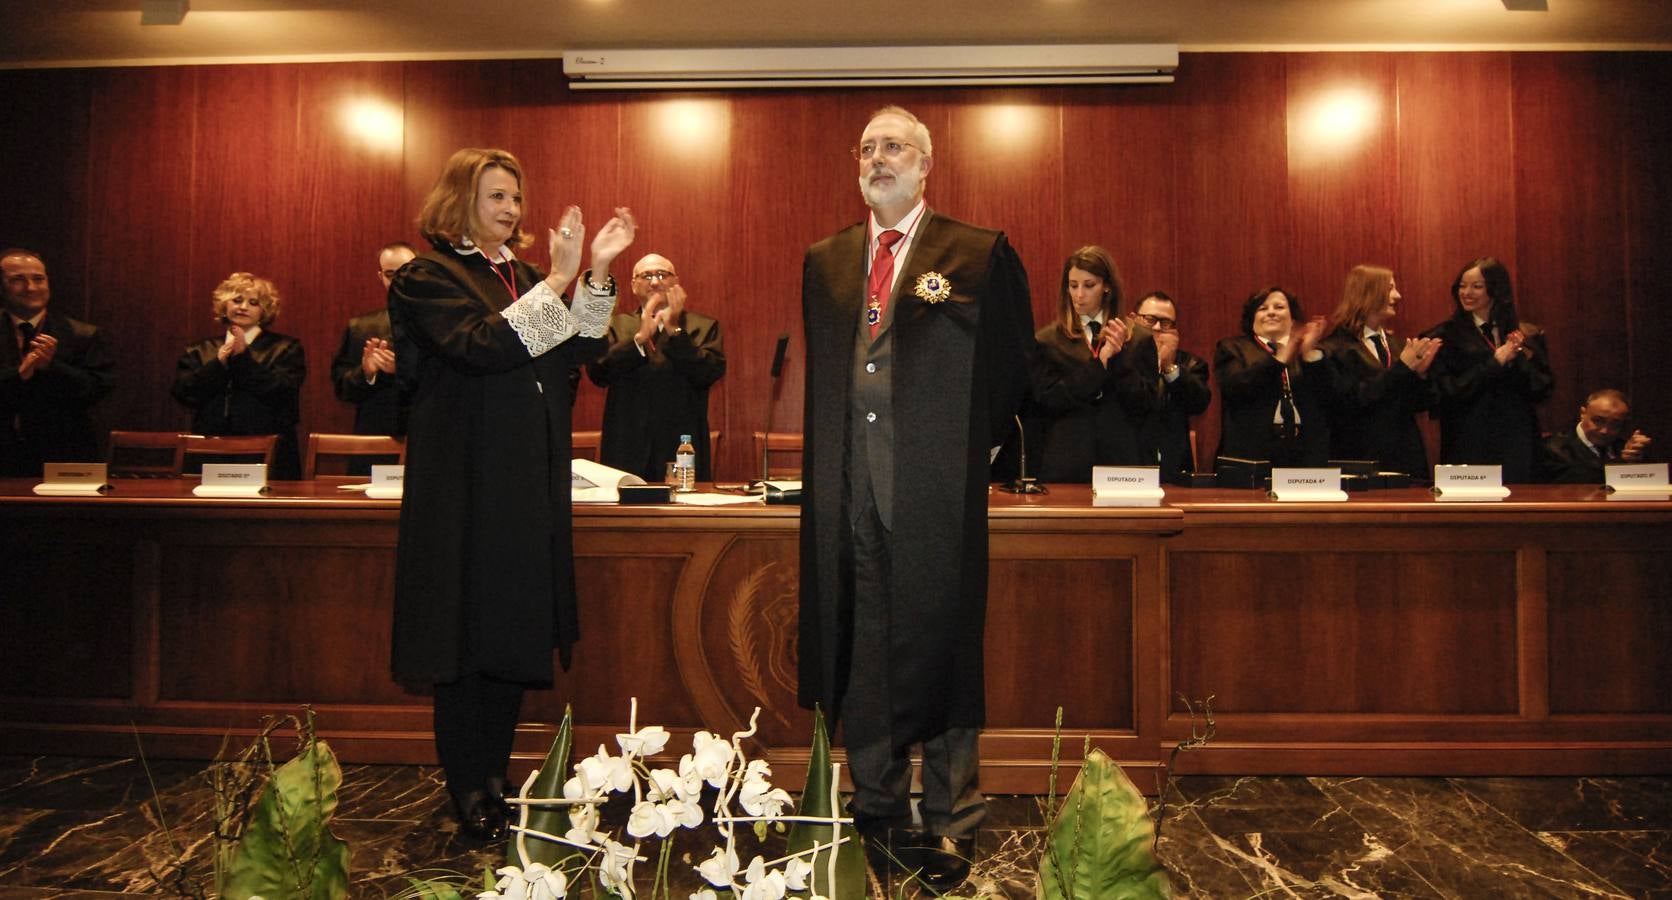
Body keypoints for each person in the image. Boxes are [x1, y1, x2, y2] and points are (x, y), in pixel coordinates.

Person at [798, 106, 1034, 890]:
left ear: (927, 165)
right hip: (847, 488)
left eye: (893, 146)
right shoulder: (827, 260)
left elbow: (1009, 368)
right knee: (861, 645)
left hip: (936, 490)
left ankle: (951, 820)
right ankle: (876, 807)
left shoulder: (976, 253)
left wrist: (967, 454)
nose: (877, 158)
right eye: (866, 147)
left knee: (945, 650)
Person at [386, 147, 634, 842]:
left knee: (507, 634)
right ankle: (468, 787)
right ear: (460, 198)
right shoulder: (425, 275)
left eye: (517, 199)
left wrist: (599, 272)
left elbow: (580, 349)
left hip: (524, 482)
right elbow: (483, 346)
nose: (512, 210)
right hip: (462, 486)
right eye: (497, 195)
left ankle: (496, 779)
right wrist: (558, 277)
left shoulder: (524, 275)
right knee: (462, 643)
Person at [585, 252, 725, 481]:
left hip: (682, 446)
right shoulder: (616, 326)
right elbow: (598, 373)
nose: (655, 281)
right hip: (626, 446)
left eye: (663, 274)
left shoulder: (703, 326)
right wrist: (639, 339)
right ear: (633, 285)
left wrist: (674, 331)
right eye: (646, 276)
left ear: (676, 282)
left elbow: (709, 373)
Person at [1424, 256, 1554, 483]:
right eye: (1462, 286)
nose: (1466, 293)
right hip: (1468, 444)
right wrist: (1494, 363)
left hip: (1517, 445)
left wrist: (1519, 360)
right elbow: (1444, 394)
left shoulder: (1526, 334)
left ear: (1495, 290)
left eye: (1476, 286)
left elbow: (1543, 390)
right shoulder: (1443, 337)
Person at [171, 272, 305, 479]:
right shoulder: (199, 349)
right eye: (237, 300)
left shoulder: (286, 348)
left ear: (264, 311)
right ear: (224, 306)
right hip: (209, 448)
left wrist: (243, 358)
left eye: (253, 302)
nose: (243, 307)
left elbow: (282, 391)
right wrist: (218, 364)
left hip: (268, 449)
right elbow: (183, 393)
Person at [1029, 246, 1139, 483]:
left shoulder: (1138, 338)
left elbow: (1145, 403)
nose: (1079, 295)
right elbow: (1047, 400)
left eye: (1089, 285)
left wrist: (1117, 359)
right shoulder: (1047, 340)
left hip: (1122, 462)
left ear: (1107, 286)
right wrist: (1099, 364)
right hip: (1067, 461)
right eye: (1073, 285)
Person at [1, 248, 115, 476]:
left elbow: (97, 390)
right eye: (18, 280)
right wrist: (19, 375)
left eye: (38, 279)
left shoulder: (82, 334)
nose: (30, 287)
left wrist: (53, 367)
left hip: (66, 453)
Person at [1319, 265, 1441, 479]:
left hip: (1406, 459)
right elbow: (1350, 401)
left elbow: (1419, 406)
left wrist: (1420, 375)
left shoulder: (1399, 345)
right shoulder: (1332, 349)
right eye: (1390, 288)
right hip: (1360, 458)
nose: (1398, 295)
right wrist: (1402, 368)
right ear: (1369, 293)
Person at [1213, 286, 1330, 467]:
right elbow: (1235, 386)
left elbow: (1327, 399)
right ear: (1252, 318)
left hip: (1303, 455)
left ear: (1293, 318)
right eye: (1263, 308)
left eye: (1279, 307)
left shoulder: (1311, 352)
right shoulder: (1232, 348)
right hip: (1251, 456)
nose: (1271, 313)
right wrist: (1279, 360)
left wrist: (1308, 355)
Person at [1114, 290, 1211, 484]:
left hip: (1173, 469)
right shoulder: (1119, 361)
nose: (1157, 328)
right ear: (1132, 320)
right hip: (1126, 465)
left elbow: (1199, 403)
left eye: (1166, 323)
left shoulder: (1191, 364)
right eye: (1150, 319)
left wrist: (1168, 366)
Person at [330, 241, 417, 436]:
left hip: (429, 435)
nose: (399, 280)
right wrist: (367, 374)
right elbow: (342, 390)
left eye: (407, 271)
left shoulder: (441, 324)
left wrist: (403, 369)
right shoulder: (360, 328)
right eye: (390, 274)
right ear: (381, 277)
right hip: (376, 435)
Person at [1538, 388, 1653, 483]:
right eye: (1598, 421)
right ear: (1583, 413)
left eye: (1615, 424)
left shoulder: (1624, 446)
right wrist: (1622, 462)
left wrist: (1638, 460)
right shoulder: (1553, 447)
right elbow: (1580, 481)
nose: (1605, 430)